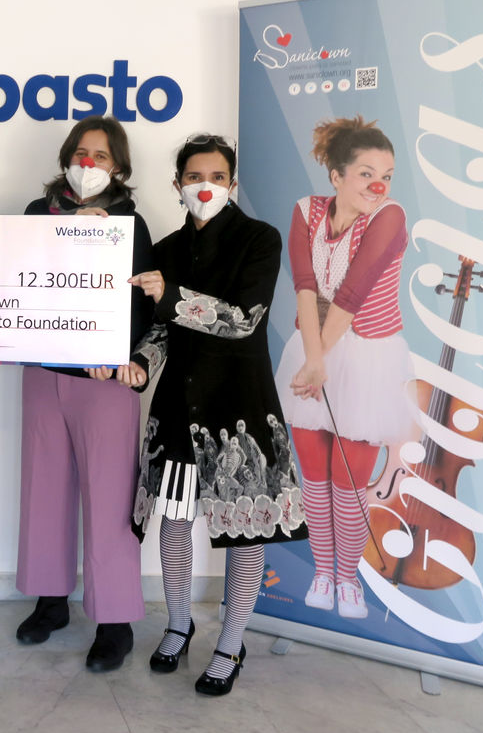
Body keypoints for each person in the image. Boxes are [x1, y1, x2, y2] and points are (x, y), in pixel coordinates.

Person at [120, 134, 305, 696]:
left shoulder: (259, 239)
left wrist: (171, 295)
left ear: (232, 183)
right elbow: (161, 331)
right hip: (180, 405)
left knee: (244, 530)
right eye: (194, 176)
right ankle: (179, 623)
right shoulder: (168, 249)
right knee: (174, 520)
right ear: (177, 184)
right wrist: (141, 363)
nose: (206, 186)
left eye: (217, 176)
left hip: (240, 407)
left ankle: (232, 641)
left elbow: (244, 318)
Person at [13, 117, 153, 671]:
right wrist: (70, 229)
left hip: (105, 381)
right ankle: (51, 602)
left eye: (101, 156)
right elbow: (16, 275)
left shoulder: (130, 224)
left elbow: (140, 303)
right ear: (66, 158)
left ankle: (115, 622)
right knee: (44, 489)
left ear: (118, 167)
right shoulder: (36, 214)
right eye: (80, 153)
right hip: (44, 372)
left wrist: (119, 354)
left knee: (111, 499)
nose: (88, 163)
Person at [274, 116, 410, 619]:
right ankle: (323, 571)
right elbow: (305, 286)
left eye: (387, 175)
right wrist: (312, 360)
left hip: (369, 355)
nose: (379, 186)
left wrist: (318, 362)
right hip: (313, 346)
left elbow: (352, 295)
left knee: (347, 479)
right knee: (313, 473)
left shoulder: (389, 217)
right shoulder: (305, 212)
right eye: (366, 174)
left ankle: (348, 578)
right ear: (336, 176)